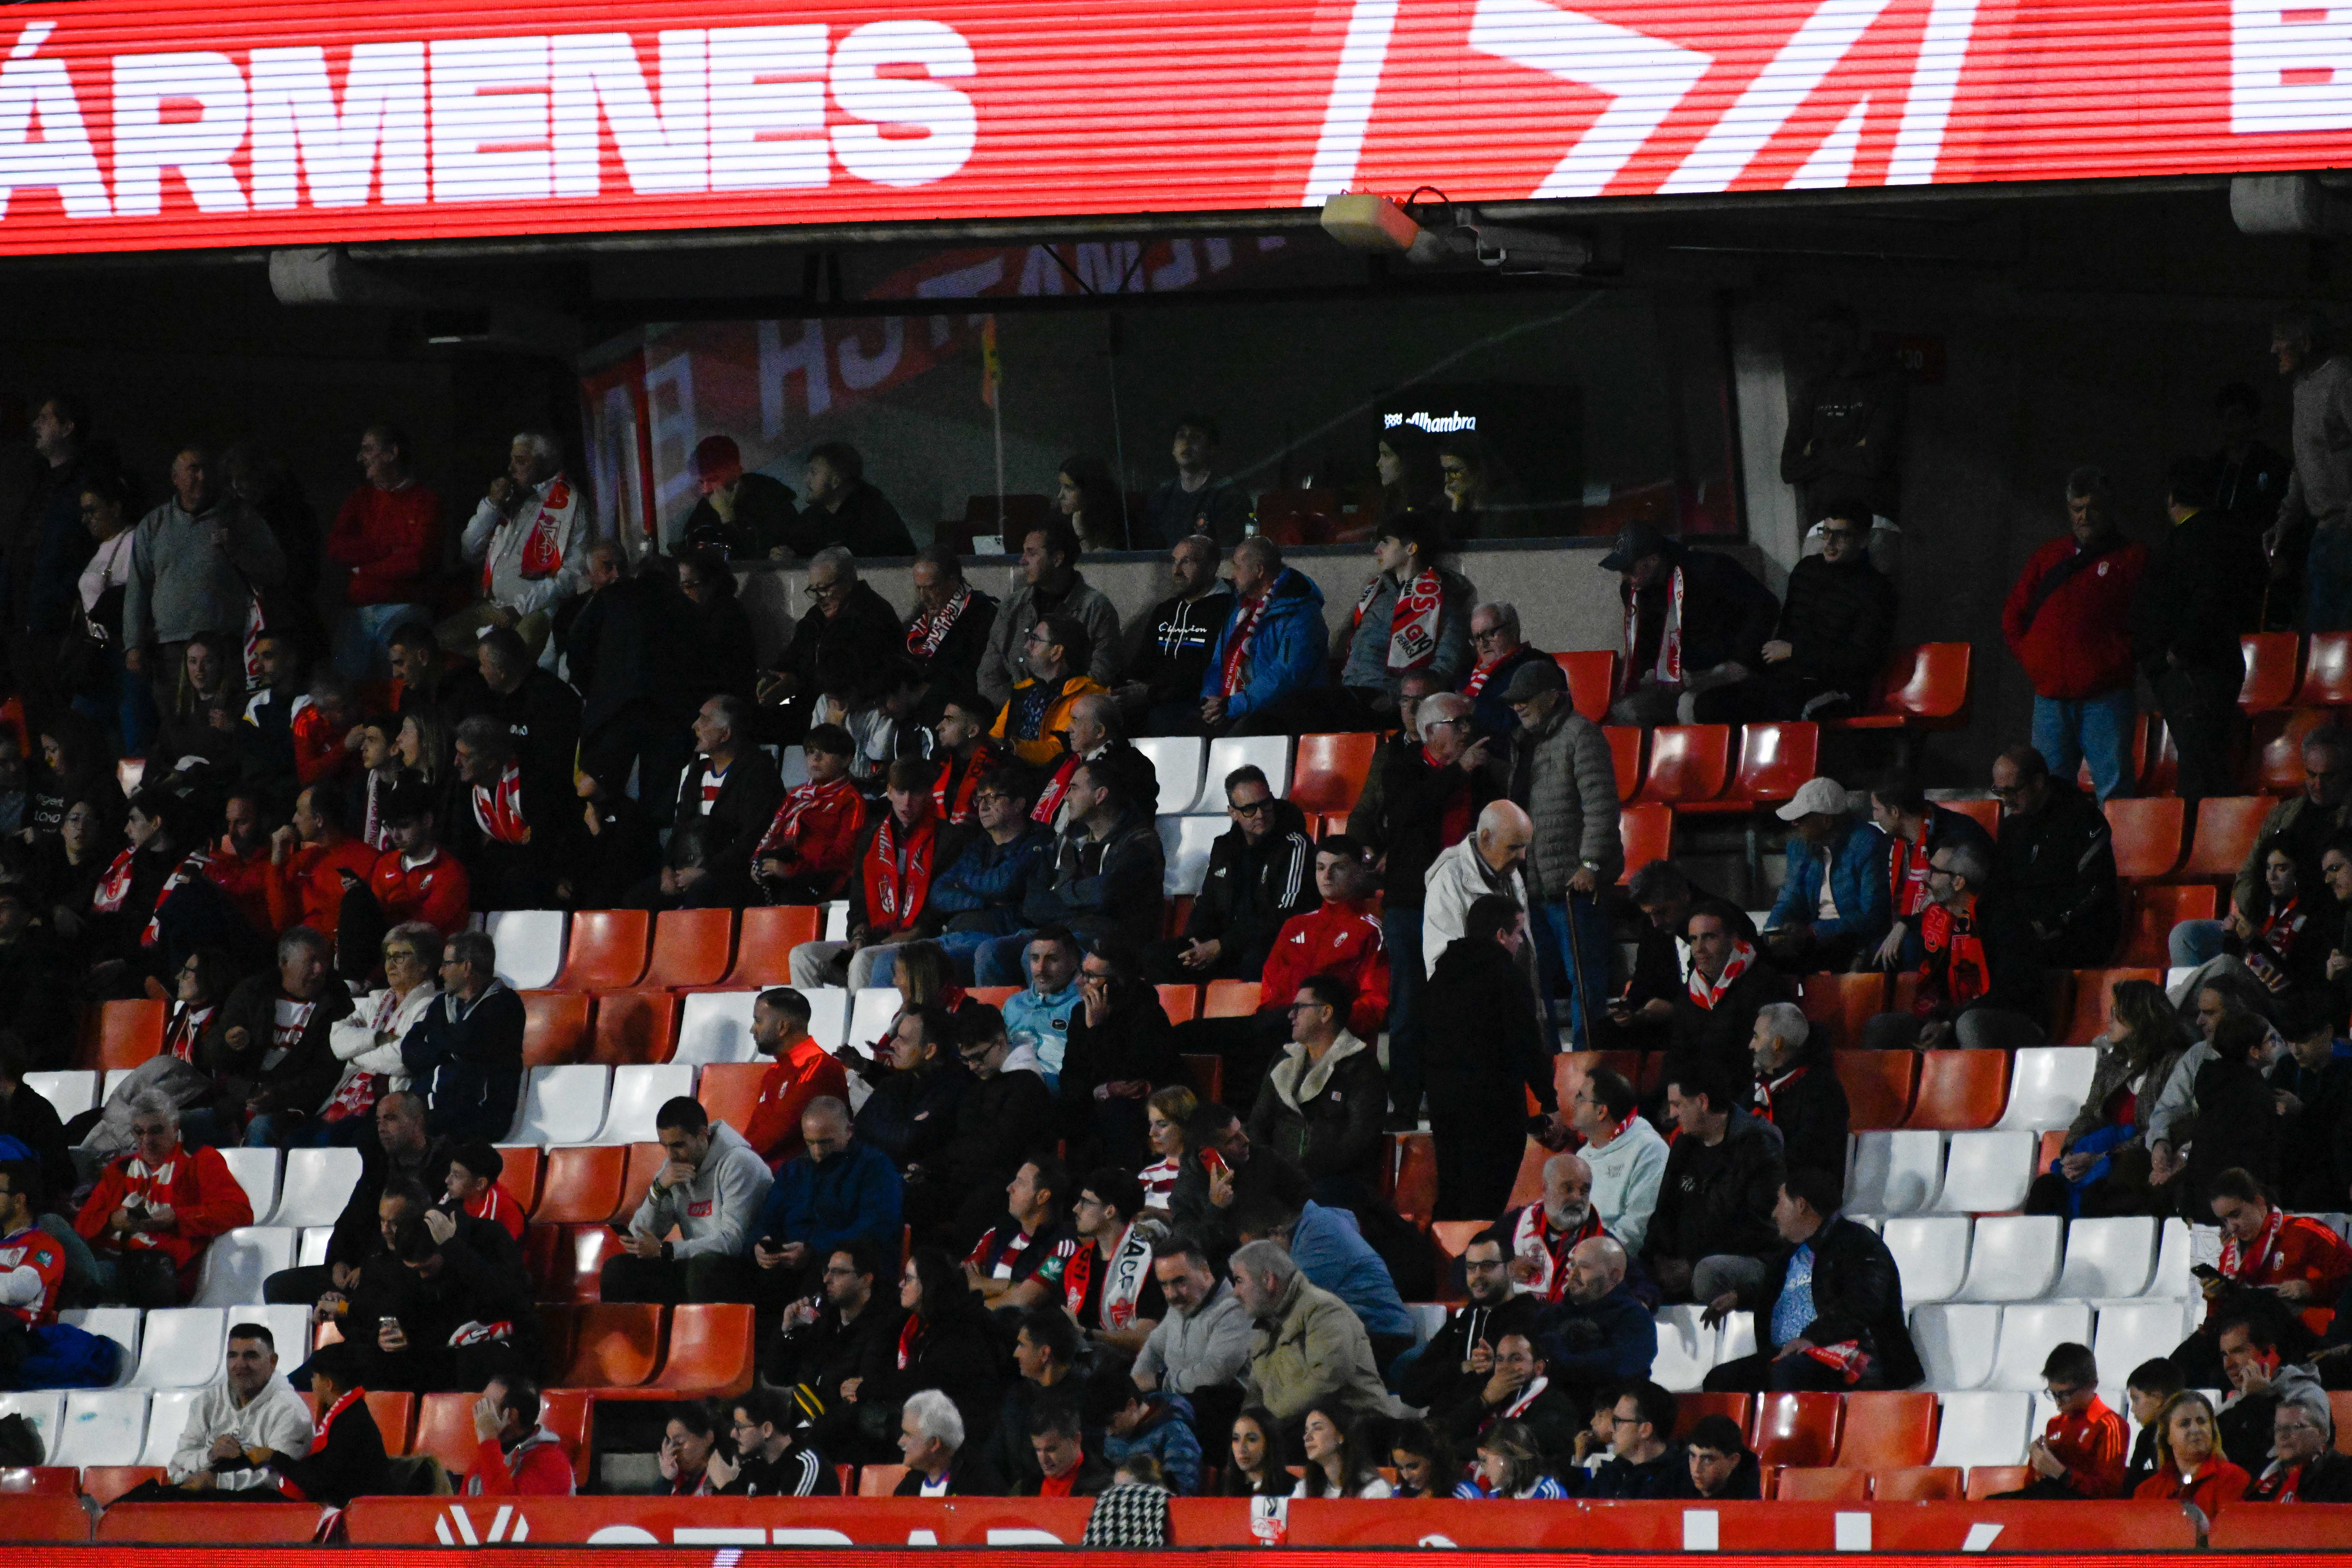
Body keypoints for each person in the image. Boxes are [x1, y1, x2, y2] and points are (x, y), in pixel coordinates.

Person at [1355, 689, 1500, 1118]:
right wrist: (1458, 773)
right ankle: (1403, 1102)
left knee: (1466, 1005)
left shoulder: (1482, 770)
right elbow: (1404, 814)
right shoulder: (1402, 766)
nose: (1467, 731)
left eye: (1468, 723)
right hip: (1412, 904)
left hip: (1468, 901)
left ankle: (1461, 1098)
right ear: (1430, 731)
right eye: (1458, 724)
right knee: (1409, 1005)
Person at [1701, 1167, 1921, 1392]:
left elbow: (1863, 1303)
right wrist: (1740, 1297)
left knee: (1789, 1371)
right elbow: (1790, 1290)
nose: (1774, 1213)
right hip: (1790, 1355)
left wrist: (1812, 1339)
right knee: (1720, 1381)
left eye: (1780, 1202)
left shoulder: (1859, 1243)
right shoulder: (1789, 1253)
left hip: (1851, 1358)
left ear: (1801, 1205)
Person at [2001, 467, 2149, 800]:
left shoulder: (2133, 558)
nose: (2084, 517)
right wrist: (2035, 661)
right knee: (2048, 790)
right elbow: (2013, 615)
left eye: (2092, 508)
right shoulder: (2048, 557)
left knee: (2113, 790)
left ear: (2108, 508)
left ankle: (2114, 853)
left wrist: (2113, 661)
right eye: (2077, 509)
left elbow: (2148, 621)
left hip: (2106, 695)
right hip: (2050, 698)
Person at [1503, 656, 1622, 1048]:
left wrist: (1590, 864)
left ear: (1553, 698)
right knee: (1536, 987)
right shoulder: (1524, 743)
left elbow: (1601, 804)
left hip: (1573, 890)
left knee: (1585, 984)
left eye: (1526, 699)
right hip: (1533, 889)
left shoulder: (1582, 735)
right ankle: (1550, 1068)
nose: (1517, 706)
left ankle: (1588, 1063)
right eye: (1514, 700)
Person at [2137, 460, 2266, 804]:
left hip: (2192, 672)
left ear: (2172, 498)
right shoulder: (2236, 536)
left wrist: (2177, 653)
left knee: (2201, 768)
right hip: (2222, 662)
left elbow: (2205, 602)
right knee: (2208, 762)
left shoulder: (2188, 542)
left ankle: (2206, 842)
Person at [122, 443, 285, 712]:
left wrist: (237, 551)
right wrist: (133, 645)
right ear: (175, 478)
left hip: (223, 644)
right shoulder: (155, 524)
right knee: (177, 723)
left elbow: (276, 569)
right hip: (171, 649)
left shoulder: (239, 517)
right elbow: (137, 587)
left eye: (207, 470)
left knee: (224, 721)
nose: (202, 477)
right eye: (193, 470)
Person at [1423, 894, 1556, 1220]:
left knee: (1454, 1196)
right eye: (1519, 932)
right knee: (1489, 1201)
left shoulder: (1440, 977)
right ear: (1501, 935)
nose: (1521, 941)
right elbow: (1527, 1044)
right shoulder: (1507, 977)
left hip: (1445, 1103)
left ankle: (1453, 1265)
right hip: (1494, 1106)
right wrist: (1548, 1100)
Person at [2174, 727, 2352, 969]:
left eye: (2328, 776)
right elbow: (2249, 873)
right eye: (2311, 775)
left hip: (2310, 931)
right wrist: (2252, 918)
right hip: (2264, 922)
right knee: (2185, 936)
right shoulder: (2283, 815)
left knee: (2225, 973)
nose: (2318, 785)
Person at [1705, 501, 1895, 724]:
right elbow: (1786, 631)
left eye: (1842, 536)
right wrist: (1746, 662)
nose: (1830, 544)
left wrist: (1795, 652)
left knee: (1793, 708)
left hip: (1836, 687)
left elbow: (1862, 660)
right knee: (1709, 705)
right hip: (1787, 678)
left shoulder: (1877, 590)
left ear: (1863, 541)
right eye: (1826, 533)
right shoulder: (1807, 570)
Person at [790, 759, 969, 990]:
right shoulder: (872, 837)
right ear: (890, 792)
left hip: (921, 940)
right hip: (876, 938)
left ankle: (861, 1024)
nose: (907, 803)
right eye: (901, 792)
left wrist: (907, 935)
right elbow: (859, 900)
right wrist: (859, 936)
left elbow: (941, 907)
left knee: (864, 960)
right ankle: (812, 1024)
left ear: (928, 795)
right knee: (803, 956)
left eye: (915, 794)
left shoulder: (948, 838)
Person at [980, 761, 1164, 983]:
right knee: (990, 952)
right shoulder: (1067, 840)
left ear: (1100, 795)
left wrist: (1060, 893)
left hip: (1110, 943)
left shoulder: (1140, 841)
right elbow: (1032, 903)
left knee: (1041, 956)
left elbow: (1107, 894)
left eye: (1074, 788)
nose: (1067, 797)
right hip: (1063, 932)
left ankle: (1056, 1016)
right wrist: (1074, 905)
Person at [1859, 841, 2045, 1051]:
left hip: (2011, 1020)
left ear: (1958, 882)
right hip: (1955, 1018)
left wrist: (1949, 1023)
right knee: (1881, 1027)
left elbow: (2009, 993)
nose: (1926, 878)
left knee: (1970, 1024)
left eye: (1935, 872)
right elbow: (1941, 992)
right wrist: (1935, 1020)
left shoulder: (2006, 922)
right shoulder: (1941, 922)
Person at [74, 1094, 251, 1305]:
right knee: (54, 1229)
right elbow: (81, 1228)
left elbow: (239, 1212)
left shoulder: (201, 1160)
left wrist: (177, 1218)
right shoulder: (119, 1169)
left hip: (162, 1270)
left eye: (156, 1131)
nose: (147, 1140)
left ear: (175, 1128)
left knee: (80, 1276)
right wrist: (113, 1221)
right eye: (139, 1132)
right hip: (111, 1259)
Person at [1602, 522, 1780, 727]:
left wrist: (1743, 660)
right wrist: (1629, 673)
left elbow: (1766, 607)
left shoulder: (1709, 570)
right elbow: (1647, 643)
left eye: (1629, 569)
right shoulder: (1635, 591)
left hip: (1724, 669)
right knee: (1625, 710)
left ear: (1652, 560)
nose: (1625, 577)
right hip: (1679, 675)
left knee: (1690, 705)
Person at [601, 1097, 774, 1304]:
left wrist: (668, 1251)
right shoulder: (674, 1169)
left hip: (744, 1269)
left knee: (703, 1269)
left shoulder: (739, 1163)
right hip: (694, 1265)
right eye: (665, 1147)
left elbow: (733, 1243)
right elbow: (641, 1236)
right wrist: (658, 1190)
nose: (671, 1155)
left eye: (678, 1145)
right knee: (619, 1270)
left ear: (702, 1135)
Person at [1153, 765, 1314, 986]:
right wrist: (1195, 941)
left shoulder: (1295, 845)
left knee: (1257, 961)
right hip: (1225, 945)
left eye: (1266, 804)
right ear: (1233, 812)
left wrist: (1222, 945)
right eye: (1250, 809)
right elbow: (1207, 902)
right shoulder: (1224, 848)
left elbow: (1284, 916)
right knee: (1158, 957)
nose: (1261, 815)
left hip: (1269, 944)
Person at [1644, 1060, 1785, 1306]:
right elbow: (1665, 1212)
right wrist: (1657, 1259)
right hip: (1684, 1260)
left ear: (1702, 1102)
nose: (1672, 1114)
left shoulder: (1759, 1145)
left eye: (1678, 1104)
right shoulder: (1684, 1144)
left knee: (1707, 1272)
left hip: (1747, 1260)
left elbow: (1758, 1229)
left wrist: (1692, 1262)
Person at [202, 926, 356, 1148]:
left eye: (324, 961)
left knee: (261, 1128)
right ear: (285, 963)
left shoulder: (337, 1007)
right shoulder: (252, 993)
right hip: (236, 1101)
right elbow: (213, 1056)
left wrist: (277, 1096)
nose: (320, 969)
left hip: (292, 1108)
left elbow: (325, 1073)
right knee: (185, 1122)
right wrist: (228, 1044)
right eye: (311, 961)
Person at [912, 1006, 1053, 1246]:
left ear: (1000, 1043)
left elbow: (1000, 1149)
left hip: (1004, 1180)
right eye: (966, 1059)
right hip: (967, 1175)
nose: (972, 1066)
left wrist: (943, 1164)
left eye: (978, 1057)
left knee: (972, 1211)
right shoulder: (979, 1082)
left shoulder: (1027, 1086)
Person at [1228, 1238, 1401, 1425]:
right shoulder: (1266, 1326)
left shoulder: (1323, 1310)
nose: (1235, 1292)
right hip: (1299, 1431)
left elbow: (1327, 1382)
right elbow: (1256, 1394)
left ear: (1268, 1280)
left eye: (1239, 1281)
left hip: (1357, 1430)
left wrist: (1273, 1423)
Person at [1246, 975, 1384, 1210]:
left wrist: (1299, 1175)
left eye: (1299, 1008)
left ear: (1326, 1013)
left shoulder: (1361, 1066)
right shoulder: (1284, 1059)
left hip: (1338, 1184)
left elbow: (1358, 1141)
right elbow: (1259, 1124)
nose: (1291, 1015)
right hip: (1282, 1178)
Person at [634, 695, 783, 912]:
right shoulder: (697, 773)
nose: (695, 726)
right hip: (690, 872)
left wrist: (706, 872)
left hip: (735, 875)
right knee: (636, 901)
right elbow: (680, 828)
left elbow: (753, 838)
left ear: (726, 734)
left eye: (704, 720)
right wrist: (668, 869)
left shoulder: (759, 773)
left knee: (702, 897)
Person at [750, 1098, 905, 1306]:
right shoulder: (793, 1171)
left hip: (840, 1264)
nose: (817, 1152)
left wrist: (814, 1249)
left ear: (849, 1131)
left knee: (817, 1281)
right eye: (810, 1142)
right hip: (788, 1264)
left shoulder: (876, 1168)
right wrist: (760, 1244)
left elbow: (877, 1228)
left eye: (825, 1142)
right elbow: (766, 1220)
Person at [858, 1249, 1006, 1465]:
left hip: (963, 1446)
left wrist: (866, 1389)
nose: (901, 1285)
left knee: (865, 1419)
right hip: (941, 1427)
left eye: (909, 1279)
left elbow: (921, 1382)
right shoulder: (929, 1324)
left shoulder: (964, 1331)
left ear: (930, 1284)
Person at [445, 432, 585, 660]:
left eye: (521, 461)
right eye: (512, 461)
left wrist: (520, 607)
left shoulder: (569, 505)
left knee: (508, 657)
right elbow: (469, 551)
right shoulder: (510, 502)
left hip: (535, 610)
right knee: (438, 643)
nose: (511, 469)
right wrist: (491, 505)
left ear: (545, 464)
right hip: (494, 607)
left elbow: (571, 576)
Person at [1334, 510, 1473, 725]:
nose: (1377, 550)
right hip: (1351, 691)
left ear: (1411, 548)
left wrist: (1394, 700)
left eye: (1386, 543)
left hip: (1385, 701)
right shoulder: (1376, 594)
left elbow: (1443, 669)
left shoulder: (1444, 601)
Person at [324, 425, 441, 678]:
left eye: (368, 449)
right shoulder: (360, 499)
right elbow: (336, 547)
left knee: (400, 678)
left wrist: (363, 569)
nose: (360, 458)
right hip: (360, 608)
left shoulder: (425, 501)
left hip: (405, 606)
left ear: (391, 454)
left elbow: (416, 561)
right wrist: (388, 550)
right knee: (344, 685)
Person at [1057, 936, 1183, 1170]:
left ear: (1119, 982)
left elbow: (1131, 1080)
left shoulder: (1148, 1016)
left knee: (1117, 1113)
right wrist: (1098, 1091)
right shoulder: (1079, 1013)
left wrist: (1098, 1030)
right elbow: (1071, 1076)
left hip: (1138, 1112)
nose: (1079, 982)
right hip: (1092, 1104)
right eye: (1082, 972)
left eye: (1091, 977)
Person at [1991, 746, 2122, 969]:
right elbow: (2002, 886)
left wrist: (2052, 922)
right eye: (2000, 793)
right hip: (2028, 931)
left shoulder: (2081, 818)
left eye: (2013, 792)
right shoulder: (2013, 826)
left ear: (2039, 782)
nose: (2007, 802)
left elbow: (2097, 889)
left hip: (2079, 933)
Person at [313, 922, 442, 1146]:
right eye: (388, 957)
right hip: (348, 1098)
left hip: (391, 1104)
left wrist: (356, 1054)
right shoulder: (377, 1001)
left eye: (400, 957)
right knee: (296, 1139)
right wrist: (378, 1039)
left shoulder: (433, 1005)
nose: (390, 965)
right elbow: (338, 1040)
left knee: (328, 1140)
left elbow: (402, 1058)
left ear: (424, 964)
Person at [152, 1322, 312, 1494]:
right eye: (233, 1356)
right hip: (201, 1498)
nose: (240, 1365)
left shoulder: (290, 1410)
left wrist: (218, 1482)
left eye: (251, 1356)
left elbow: (280, 1480)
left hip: (259, 1508)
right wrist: (211, 1455)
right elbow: (179, 1462)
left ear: (273, 1362)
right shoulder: (207, 1402)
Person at [761, 547, 900, 743]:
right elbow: (792, 657)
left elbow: (861, 679)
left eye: (825, 589)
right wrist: (780, 679)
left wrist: (802, 683)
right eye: (814, 590)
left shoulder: (874, 617)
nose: (819, 598)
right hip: (809, 706)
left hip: (852, 713)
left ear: (849, 581)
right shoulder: (816, 617)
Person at [981, 520, 1123, 709]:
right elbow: (989, 676)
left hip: (1069, 719)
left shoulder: (1097, 609)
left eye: (1032, 553)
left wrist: (1049, 709)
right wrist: (1022, 709)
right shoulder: (1012, 606)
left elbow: (1100, 678)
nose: (1023, 560)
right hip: (1013, 716)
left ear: (1057, 559)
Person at [2269, 307, 2352, 631]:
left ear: (2304, 342)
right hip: (2326, 531)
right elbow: (2304, 464)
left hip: (2345, 531)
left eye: (2280, 341)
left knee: (2341, 638)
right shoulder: (2303, 388)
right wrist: (2285, 521)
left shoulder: (2342, 379)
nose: (2274, 350)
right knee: (2323, 636)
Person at [399, 930, 524, 1142]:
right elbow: (409, 1050)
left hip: (480, 1112)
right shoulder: (441, 1004)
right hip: (436, 1105)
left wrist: (435, 1047)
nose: (440, 972)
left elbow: (468, 1046)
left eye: (447, 964)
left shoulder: (505, 1005)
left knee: (412, 1135)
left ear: (466, 968)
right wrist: (446, 1051)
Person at [927, 773, 1054, 983]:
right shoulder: (978, 846)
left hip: (1001, 935)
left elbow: (1002, 885)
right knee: (887, 960)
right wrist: (982, 901)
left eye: (993, 798)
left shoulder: (1039, 841)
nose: (983, 807)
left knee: (931, 963)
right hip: (958, 933)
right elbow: (939, 893)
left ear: (1019, 804)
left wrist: (963, 882)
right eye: (980, 799)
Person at [769, 1240, 894, 1449]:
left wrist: (808, 1438)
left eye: (838, 1273)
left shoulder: (882, 1329)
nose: (827, 1279)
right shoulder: (822, 1321)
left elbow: (856, 1404)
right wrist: (789, 1331)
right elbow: (777, 1376)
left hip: (839, 1443)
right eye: (827, 1271)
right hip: (803, 1430)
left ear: (866, 1280)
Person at [1202, 536, 1329, 736]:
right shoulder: (1239, 609)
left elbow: (1286, 676)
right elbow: (1219, 662)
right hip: (1234, 706)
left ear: (1259, 570)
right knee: (1187, 728)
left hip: (1283, 712)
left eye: (1237, 567)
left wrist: (1232, 705)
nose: (1232, 576)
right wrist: (1210, 701)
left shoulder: (1301, 612)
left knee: (1244, 732)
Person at [1761, 777, 1890, 975]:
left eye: (1802, 818)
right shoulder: (1800, 846)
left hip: (1852, 937)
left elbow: (1873, 915)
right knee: (1761, 955)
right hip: (1813, 935)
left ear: (1827, 821)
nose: (1795, 824)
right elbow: (1789, 898)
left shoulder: (1867, 843)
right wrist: (1774, 930)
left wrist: (1814, 931)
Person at [1422, 800, 1536, 1002]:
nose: (1522, 856)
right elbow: (1441, 962)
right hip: (1478, 1013)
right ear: (1486, 838)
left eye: (1525, 847)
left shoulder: (1511, 872)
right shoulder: (1448, 880)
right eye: (1514, 847)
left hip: (1512, 1004)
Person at [250, 1343, 390, 1506]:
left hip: (347, 1512)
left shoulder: (351, 1423)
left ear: (329, 1384)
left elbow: (320, 1484)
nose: (312, 1382)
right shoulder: (352, 1412)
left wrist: (273, 1457)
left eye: (315, 1377)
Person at [1986, 1342, 2128, 1498]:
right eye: (2054, 1394)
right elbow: (2034, 1485)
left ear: (2092, 1385)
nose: (2059, 1402)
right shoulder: (2055, 1424)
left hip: (2084, 1512)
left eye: (2066, 1394)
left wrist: (2061, 1474)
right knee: (1992, 1503)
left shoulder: (2110, 1425)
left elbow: (2111, 1493)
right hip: (2052, 1505)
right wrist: (2037, 1466)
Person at [1122, 534, 1232, 736]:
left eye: (1187, 562)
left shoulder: (1227, 609)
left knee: (1162, 719)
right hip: (1155, 696)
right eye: (1175, 561)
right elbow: (1143, 661)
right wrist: (1119, 690)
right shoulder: (1166, 610)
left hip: (1194, 702)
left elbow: (1206, 670)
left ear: (1211, 567)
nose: (1177, 571)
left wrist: (1152, 693)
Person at [1674, 900, 1799, 1073]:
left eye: (1709, 937)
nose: (1699, 949)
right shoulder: (1689, 993)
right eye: (1694, 939)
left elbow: (1770, 1058)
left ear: (1733, 939)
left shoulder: (1764, 984)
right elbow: (1677, 1058)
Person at [1133, 1233, 1252, 1411]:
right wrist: (1137, 1380)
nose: (1172, 1294)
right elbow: (1153, 1348)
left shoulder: (1234, 1309)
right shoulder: (1181, 1306)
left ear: (1205, 1271)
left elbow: (1214, 1375)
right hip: (1178, 1410)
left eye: (1180, 1281)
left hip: (1220, 1418)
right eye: (1164, 1285)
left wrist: (1160, 1382)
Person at [752, 724, 868, 903]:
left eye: (825, 752)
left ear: (846, 760)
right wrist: (759, 863)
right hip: (788, 869)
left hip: (823, 877)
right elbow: (774, 836)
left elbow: (844, 857)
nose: (816, 758)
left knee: (789, 897)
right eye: (811, 752)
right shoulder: (796, 796)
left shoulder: (852, 801)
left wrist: (792, 869)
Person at [741, 989, 852, 1167]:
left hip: (799, 1182)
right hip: (763, 1173)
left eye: (758, 1021)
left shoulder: (819, 1067)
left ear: (783, 1027)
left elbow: (780, 1133)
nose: (753, 1030)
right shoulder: (774, 1072)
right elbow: (756, 1134)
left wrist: (736, 1158)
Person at [852, 1006, 970, 1172]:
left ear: (930, 1051)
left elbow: (911, 1143)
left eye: (903, 1040)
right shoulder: (896, 1082)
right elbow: (858, 1131)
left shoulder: (957, 1088)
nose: (893, 1045)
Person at [1747, 1003, 1849, 1183]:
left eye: (1757, 1037)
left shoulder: (1823, 1092)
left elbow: (1807, 1158)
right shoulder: (1759, 1087)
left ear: (1777, 1043)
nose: (1751, 1045)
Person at [262, 785, 377, 946]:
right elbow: (281, 923)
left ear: (319, 820)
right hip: (301, 950)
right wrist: (277, 862)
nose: (294, 820)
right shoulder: (302, 861)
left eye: (300, 813)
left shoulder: (368, 859)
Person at [2268, 992, 2352, 1212]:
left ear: (2327, 1034)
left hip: (2331, 1176)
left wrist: (2302, 1112)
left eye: (2304, 1041)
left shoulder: (2347, 1071)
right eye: (2291, 1042)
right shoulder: (2286, 1068)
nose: (2296, 1050)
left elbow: (2341, 1133)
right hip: (2289, 1169)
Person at [677, 435, 798, 559]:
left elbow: (756, 557)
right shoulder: (702, 514)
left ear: (736, 472)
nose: (706, 490)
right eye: (701, 482)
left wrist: (728, 518)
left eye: (713, 479)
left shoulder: (773, 501)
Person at [2134, 1390, 2250, 1514]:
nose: (2195, 1429)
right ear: (2168, 1436)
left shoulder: (2233, 1478)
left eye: (2202, 1422)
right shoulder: (2147, 1491)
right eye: (2185, 1424)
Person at [1143, 415, 1251, 546]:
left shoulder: (1230, 496)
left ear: (1211, 449)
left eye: (1196, 438)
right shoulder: (1162, 496)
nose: (1186, 443)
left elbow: (1229, 551)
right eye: (1181, 436)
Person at [797, 441, 915, 558]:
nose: (806, 480)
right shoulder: (812, 517)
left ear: (836, 481)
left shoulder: (875, 515)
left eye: (814, 473)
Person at [713, 1385, 836, 1496]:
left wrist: (724, 1483)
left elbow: (787, 1518)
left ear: (767, 1430)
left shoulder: (806, 1464)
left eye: (740, 1427)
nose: (733, 1434)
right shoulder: (755, 1466)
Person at [2247, 1374, 2352, 1501]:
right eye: (2279, 1428)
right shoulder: (2265, 1482)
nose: (2284, 1435)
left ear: (2322, 1434)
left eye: (2297, 1426)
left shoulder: (2345, 1474)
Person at [1004, 928, 1083, 1091]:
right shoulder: (1013, 1004)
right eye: (1035, 959)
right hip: (1010, 1093)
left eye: (1052, 960)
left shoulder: (1082, 1006)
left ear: (1074, 963)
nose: (1041, 969)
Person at [1462, 602, 1553, 744]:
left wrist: (1475, 709)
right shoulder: (1466, 673)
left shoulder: (1535, 667)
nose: (1483, 644)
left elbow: (1525, 722)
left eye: (1490, 634)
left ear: (1513, 631)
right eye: (1477, 637)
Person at [1582, 1379, 1684, 1498]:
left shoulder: (1679, 1481)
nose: (1611, 1429)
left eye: (1618, 1421)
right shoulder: (1611, 1473)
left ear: (1645, 1430)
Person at [893, 1387, 995, 1497]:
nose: (901, 1442)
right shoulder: (908, 1488)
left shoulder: (976, 1486)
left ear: (935, 1443)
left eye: (908, 1435)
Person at [1289, 1403, 1391, 1499]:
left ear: (1340, 1437)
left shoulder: (1374, 1490)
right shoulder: (1304, 1490)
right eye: (1306, 1431)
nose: (1307, 1437)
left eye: (1317, 1428)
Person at [1672, 1414, 1762, 1500]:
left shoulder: (1747, 1500)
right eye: (1693, 1456)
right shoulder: (1675, 1482)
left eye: (1708, 1459)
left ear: (1733, 1461)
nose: (1696, 1469)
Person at [654, 1404, 721, 1496]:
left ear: (708, 1438)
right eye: (669, 1442)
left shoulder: (725, 1481)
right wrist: (667, 1479)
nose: (672, 1451)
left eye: (679, 1442)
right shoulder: (672, 1482)